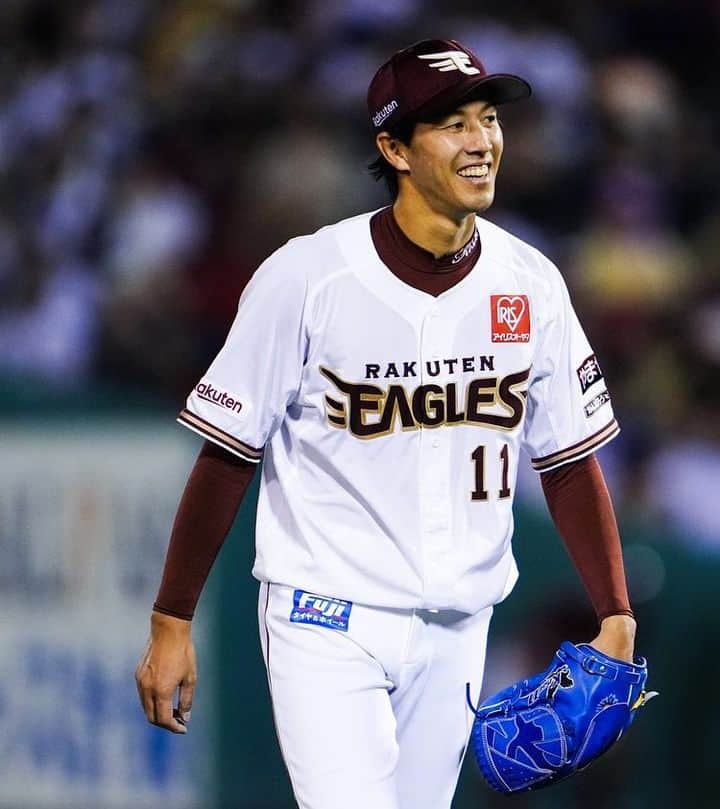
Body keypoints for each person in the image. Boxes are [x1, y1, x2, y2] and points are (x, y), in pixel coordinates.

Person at [135, 38, 636, 809]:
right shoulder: (308, 276)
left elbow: (566, 461)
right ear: (393, 148)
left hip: (459, 626)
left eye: (488, 118)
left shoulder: (530, 282)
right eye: (452, 124)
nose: (481, 141)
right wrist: (172, 616)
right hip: (325, 615)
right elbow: (228, 456)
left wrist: (616, 611)